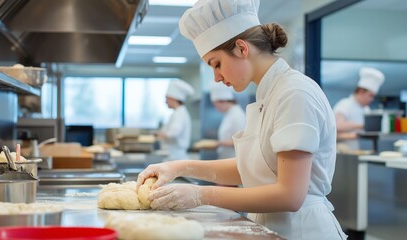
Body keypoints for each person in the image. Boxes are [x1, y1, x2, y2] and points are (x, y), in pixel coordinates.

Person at [137, 0, 347, 239]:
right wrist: (176, 167)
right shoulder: (270, 93)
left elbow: (290, 195)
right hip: (272, 227)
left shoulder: (294, 93)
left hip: (302, 230)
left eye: (216, 64)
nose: (216, 78)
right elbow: (253, 168)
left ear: (241, 48)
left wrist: (200, 195)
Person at [333, 67, 385, 151]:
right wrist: (364, 125)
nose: (372, 99)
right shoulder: (345, 104)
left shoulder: (366, 109)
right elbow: (337, 125)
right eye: (370, 96)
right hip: (345, 155)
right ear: (361, 91)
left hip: (361, 152)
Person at [157, 79, 194, 161]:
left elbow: (173, 133)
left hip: (176, 157)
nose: (165, 101)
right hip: (173, 157)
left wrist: (160, 134)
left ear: (173, 98)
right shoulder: (178, 112)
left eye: (167, 98)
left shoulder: (180, 113)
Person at [210, 83, 246, 159]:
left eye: (215, 105)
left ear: (222, 101)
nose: (216, 108)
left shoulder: (237, 115)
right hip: (226, 157)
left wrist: (218, 143)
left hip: (233, 158)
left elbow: (241, 140)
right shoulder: (229, 113)